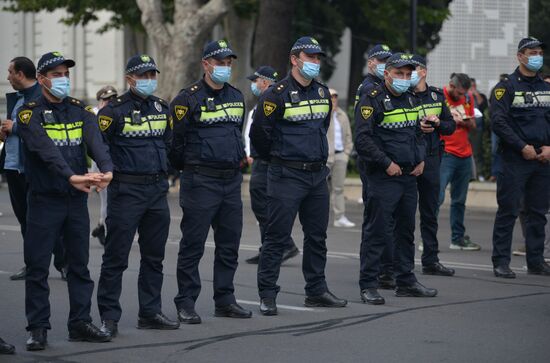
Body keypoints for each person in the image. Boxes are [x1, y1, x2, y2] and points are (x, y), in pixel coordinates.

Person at [17, 51, 113, 350]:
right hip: (45, 199)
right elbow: (45, 150)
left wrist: (107, 169)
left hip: (75, 200)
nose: (63, 79)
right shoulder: (28, 113)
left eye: (66, 74)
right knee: (37, 267)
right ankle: (37, 328)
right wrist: (71, 175)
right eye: (56, 74)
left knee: (79, 265)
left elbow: (95, 141)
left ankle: (80, 323)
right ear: (42, 78)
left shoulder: (79, 109)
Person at [251, 36, 347, 316]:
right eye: (310, 57)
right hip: (286, 175)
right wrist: (281, 158)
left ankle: (316, 291)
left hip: (317, 176)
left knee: (317, 237)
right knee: (276, 237)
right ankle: (267, 294)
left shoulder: (321, 93)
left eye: (318, 58)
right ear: (295, 59)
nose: (315, 62)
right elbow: (259, 134)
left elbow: (322, 127)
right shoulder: (276, 93)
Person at [96, 55, 179, 337]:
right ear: (130, 79)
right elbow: (99, 148)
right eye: (142, 76)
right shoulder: (113, 112)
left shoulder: (161, 107)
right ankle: (109, 317)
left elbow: (168, 143)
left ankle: (150, 312)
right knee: (116, 257)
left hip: (156, 191)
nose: (148, 80)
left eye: (151, 75)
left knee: (154, 257)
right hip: (126, 191)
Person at [170, 40, 252, 324]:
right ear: (206, 64)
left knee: (229, 244)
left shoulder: (236, 96)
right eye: (220, 63)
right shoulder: (187, 99)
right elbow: (175, 142)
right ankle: (186, 302)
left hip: (230, 181)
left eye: (229, 63)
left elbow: (236, 135)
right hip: (200, 179)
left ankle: (225, 300)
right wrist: (189, 168)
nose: (225, 68)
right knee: (193, 244)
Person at [355, 53, 437, 305]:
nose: (403, 78)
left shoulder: (412, 99)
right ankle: (369, 284)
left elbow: (417, 134)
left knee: (406, 231)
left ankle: (406, 281)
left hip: (409, 176)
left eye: (407, 74)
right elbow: (363, 139)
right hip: (384, 176)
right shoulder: (372, 100)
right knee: (377, 231)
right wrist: (386, 163)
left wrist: (421, 158)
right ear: (387, 73)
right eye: (399, 73)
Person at [490, 37, 550, 278]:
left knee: (537, 212)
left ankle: (536, 261)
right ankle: (501, 261)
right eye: (532, 52)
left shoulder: (546, 88)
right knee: (508, 210)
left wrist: (549, 146)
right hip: (515, 158)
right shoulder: (506, 87)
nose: (537, 56)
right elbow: (499, 122)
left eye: (539, 52)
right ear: (520, 56)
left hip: (542, 159)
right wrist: (521, 146)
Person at [3, 57, 66, 281]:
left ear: (20, 73)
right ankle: (32, 265)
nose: (8, 76)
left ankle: (63, 263)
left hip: (34, 168)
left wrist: (15, 127)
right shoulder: (16, 99)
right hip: (13, 166)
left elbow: (46, 127)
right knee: (25, 220)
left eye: (10, 72)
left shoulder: (42, 96)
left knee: (47, 220)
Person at [243, 66, 300, 264]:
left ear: (265, 82)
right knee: (264, 206)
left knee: (264, 206)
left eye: (256, 80)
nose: (254, 84)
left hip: (266, 161)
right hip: (261, 160)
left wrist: (261, 154)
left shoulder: (272, 100)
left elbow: (267, 134)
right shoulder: (268, 100)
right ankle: (268, 248)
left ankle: (283, 244)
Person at [411, 55, 457, 276]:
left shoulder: (437, 96)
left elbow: (450, 126)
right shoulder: (403, 96)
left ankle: (430, 260)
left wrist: (438, 123)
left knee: (430, 211)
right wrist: (417, 128)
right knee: (405, 214)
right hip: (409, 160)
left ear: (423, 72)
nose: (408, 73)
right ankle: (401, 264)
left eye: (413, 69)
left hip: (431, 159)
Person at [355, 44, 394, 288]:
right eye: (381, 60)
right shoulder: (369, 88)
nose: (384, 64)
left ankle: (385, 268)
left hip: (386, 160)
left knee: (386, 219)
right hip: (374, 161)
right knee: (376, 218)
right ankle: (377, 270)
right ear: (371, 63)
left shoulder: (382, 87)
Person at [439, 73, 481, 250]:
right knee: (436, 199)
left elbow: (473, 125)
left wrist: (465, 122)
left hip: (464, 154)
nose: (462, 96)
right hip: (445, 153)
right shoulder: (439, 96)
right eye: (459, 93)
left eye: (465, 93)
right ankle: (427, 240)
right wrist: (450, 120)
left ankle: (457, 238)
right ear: (451, 86)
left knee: (459, 201)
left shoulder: (468, 98)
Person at [90, 85, 118, 247]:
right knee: (108, 200)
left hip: (118, 161)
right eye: (107, 100)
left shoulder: (119, 112)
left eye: (113, 99)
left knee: (112, 200)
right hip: (101, 163)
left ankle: (102, 226)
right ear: (100, 101)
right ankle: (106, 232)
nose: (110, 102)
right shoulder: (93, 114)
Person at [327, 88, 355, 228]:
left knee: (338, 188)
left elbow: (349, 136)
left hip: (340, 156)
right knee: (321, 189)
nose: (334, 100)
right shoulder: (323, 114)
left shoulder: (342, 115)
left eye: (335, 97)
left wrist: (346, 153)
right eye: (331, 97)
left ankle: (339, 217)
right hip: (325, 157)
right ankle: (320, 217)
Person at [469, 78, 488, 181]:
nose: (472, 87)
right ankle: (470, 175)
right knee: (467, 152)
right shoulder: (464, 96)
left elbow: (483, 105)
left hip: (478, 128)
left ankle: (480, 173)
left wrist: (475, 93)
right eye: (470, 86)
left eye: (473, 85)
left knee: (477, 152)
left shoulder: (480, 96)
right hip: (467, 127)